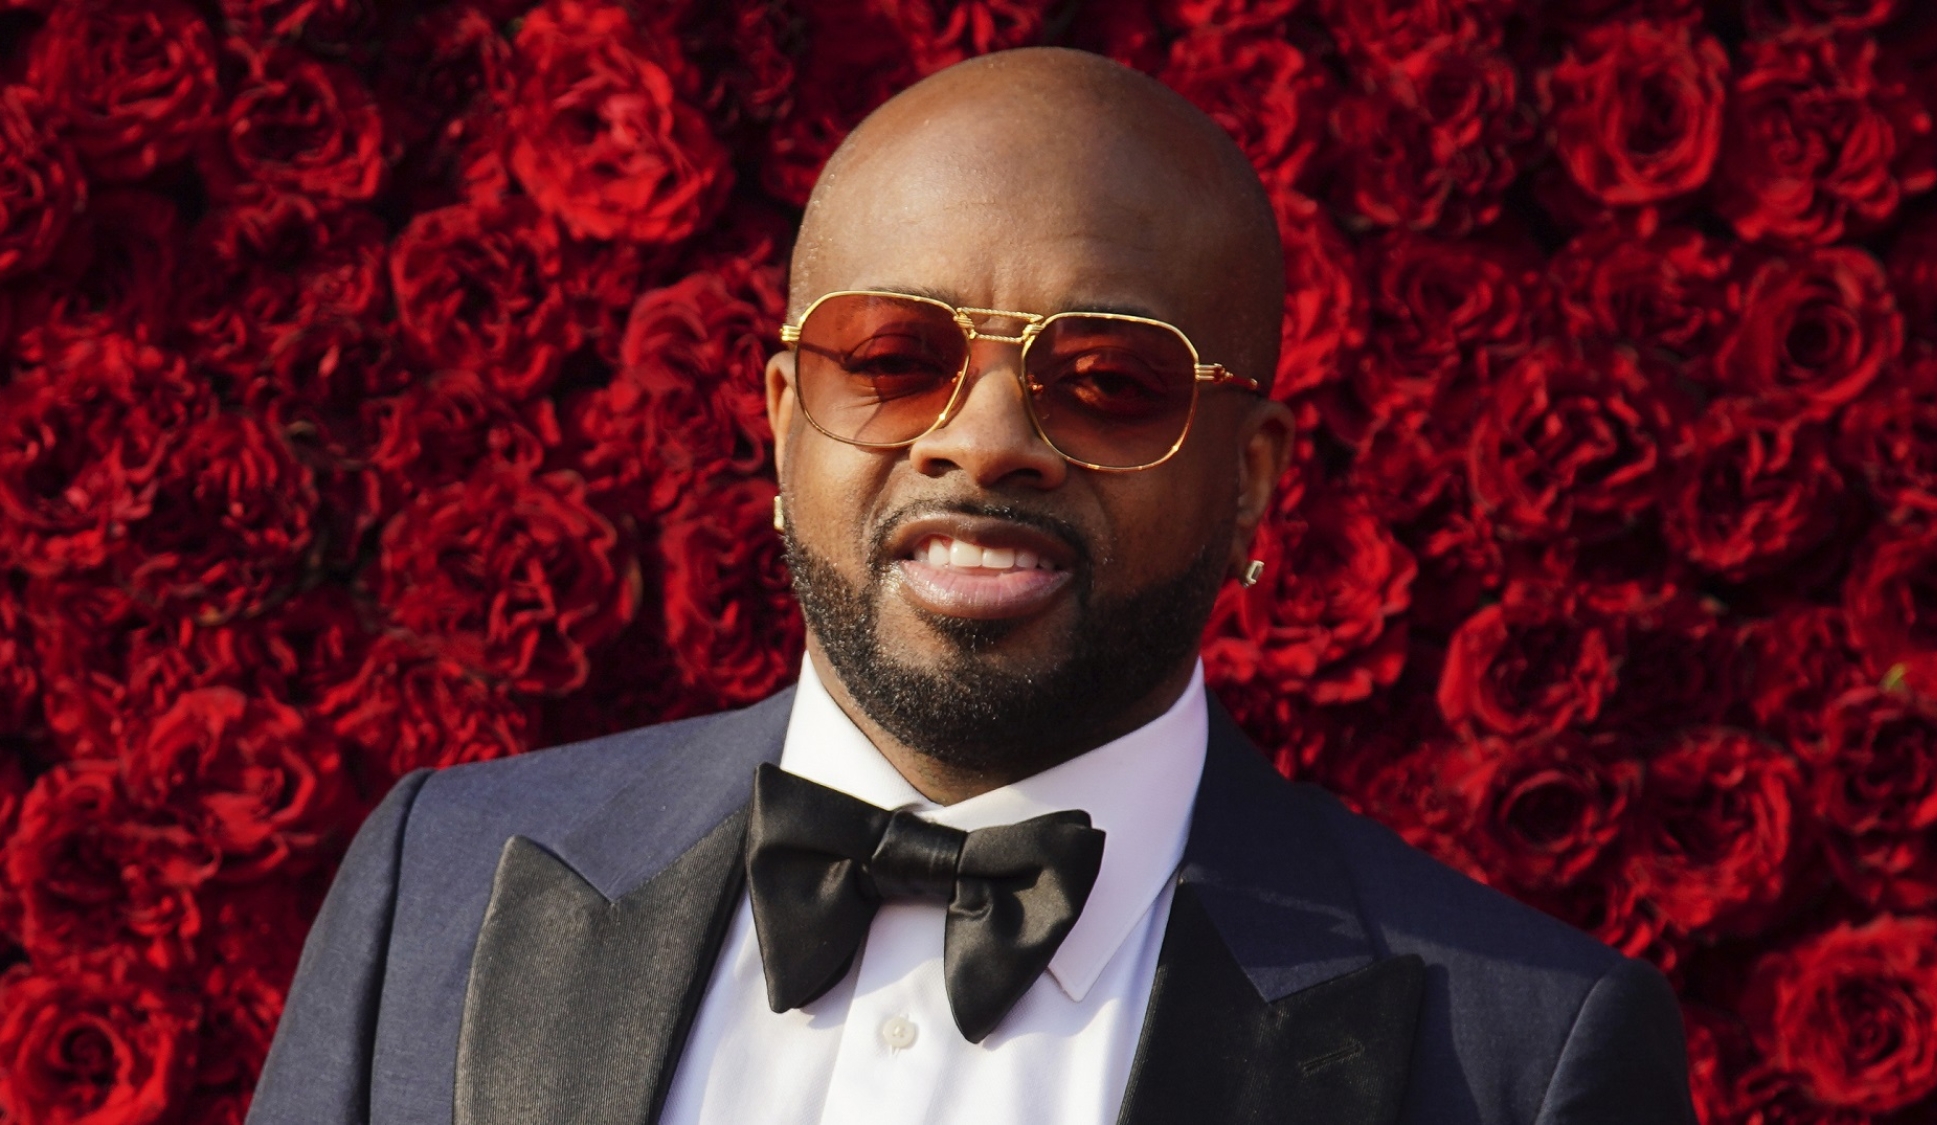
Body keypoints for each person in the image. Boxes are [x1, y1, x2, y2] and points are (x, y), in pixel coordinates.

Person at [246, 48, 1696, 1125]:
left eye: (1112, 381)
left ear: (1253, 477)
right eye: (890, 357)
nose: (983, 436)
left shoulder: (1521, 1053)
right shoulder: (437, 882)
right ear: (779, 416)